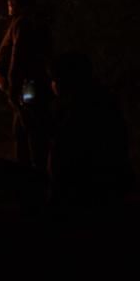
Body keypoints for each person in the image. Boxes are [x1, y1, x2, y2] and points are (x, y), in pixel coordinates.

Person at [47, 52, 133, 208]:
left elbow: (61, 154)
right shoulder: (101, 100)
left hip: (87, 188)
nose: (52, 85)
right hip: (110, 184)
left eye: (54, 80)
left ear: (65, 81)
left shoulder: (83, 109)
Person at [0, 0, 53, 170]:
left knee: (30, 131)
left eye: (9, 2)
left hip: (27, 88)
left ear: (16, 3)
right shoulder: (28, 22)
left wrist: (13, 89)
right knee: (23, 131)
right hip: (27, 88)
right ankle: (31, 172)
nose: (8, 6)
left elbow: (18, 57)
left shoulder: (23, 24)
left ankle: (35, 174)